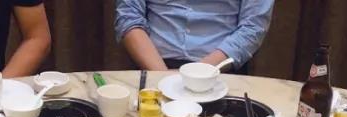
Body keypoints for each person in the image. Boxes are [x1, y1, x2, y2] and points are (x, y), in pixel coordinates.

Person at [115, 0, 274, 71]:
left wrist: (197, 73)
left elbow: (253, 26)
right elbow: (128, 16)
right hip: (152, 65)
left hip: (219, 67)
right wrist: (161, 76)